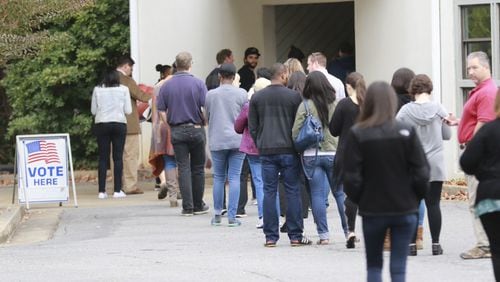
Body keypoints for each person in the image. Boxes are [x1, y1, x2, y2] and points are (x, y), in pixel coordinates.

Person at [343, 81, 430, 282]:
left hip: (373, 208)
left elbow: (351, 177)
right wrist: (415, 197)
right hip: (404, 207)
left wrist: (361, 199)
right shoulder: (406, 131)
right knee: (398, 268)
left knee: (374, 266)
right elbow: (421, 172)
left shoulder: (359, 133)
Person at [249, 63, 311, 247]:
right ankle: (295, 235)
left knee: (269, 191)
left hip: (267, 149)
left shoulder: (257, 97)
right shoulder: (293, 97)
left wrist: (260, 141)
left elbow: (252, 126)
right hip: (289, 150)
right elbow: (299, 124)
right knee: (292, 190)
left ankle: (270, 236)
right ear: (283, 75)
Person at [396, 74, 451, 256]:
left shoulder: (405, 111)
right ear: (430, 89)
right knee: (433, 204)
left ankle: (412, 245)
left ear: (413, 90)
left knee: (413, 204)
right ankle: (436, 244)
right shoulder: (439, 109)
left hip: (413, 164)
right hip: (435, 163)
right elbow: (447, 135)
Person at [157, 51, 209, 216]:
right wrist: (204, 122)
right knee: (198, 168)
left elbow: (161, 112)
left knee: (183, 167)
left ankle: (187, 207)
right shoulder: (198, 84)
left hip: (177, 129)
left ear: (176, 65)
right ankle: (198, 204)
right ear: (190, 64)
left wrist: (170, 125)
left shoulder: (166, 85)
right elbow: (205, 107)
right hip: (196, 128)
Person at [456, 51, 497, 259]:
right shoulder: (482, 90)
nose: (470, 72)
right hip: (478, 152)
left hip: (478, 156)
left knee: (476, 201)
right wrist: (459, 123)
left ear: (486, 67)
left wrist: (471, 147)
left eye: (474, 68)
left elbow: (484, 124)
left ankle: (485, 245)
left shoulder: (487, 92)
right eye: (468, 69)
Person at [292, 71, 338, 245]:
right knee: (339, 194)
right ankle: (349, 230)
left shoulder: (305, 105)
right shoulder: (335, 104)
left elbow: (296, 132)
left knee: (317, 195)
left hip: (312, 154)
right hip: (333, 152)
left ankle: (324, 235)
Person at [460, 90, 500, 281]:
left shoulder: (488, 130)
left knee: (497, 249)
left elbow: (467, 162)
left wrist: (483, 173)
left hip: (490, 197)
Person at [205, 63, 247, 226]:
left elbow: (206, 116)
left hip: (217, 139)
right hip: (237, 139)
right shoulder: (242, 93)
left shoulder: (211, 95)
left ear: (219, 76)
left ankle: (217, 215)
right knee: (234, 176)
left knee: (219, 177)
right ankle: (232, 216)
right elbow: (246, 115)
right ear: (235, 76)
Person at [329, 71, 366, 248]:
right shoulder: (370, 104)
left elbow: (334, 129)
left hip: (347, 153)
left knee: (350, 194)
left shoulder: (344, 104)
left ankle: (351, 230)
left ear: (348, 86)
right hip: (368, 153)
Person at [91, 69, 132, 199]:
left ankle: (102, 191)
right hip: (119, 123)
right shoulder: (124, 89)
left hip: (102, 123)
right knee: (118, 157)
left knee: (103, 157)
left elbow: (93, 111)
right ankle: (117, 190)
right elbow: (128, 110)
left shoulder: (97, 89)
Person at [116, 55, 151, 195]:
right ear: (125, 66)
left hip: (111, 122)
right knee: (130, 155)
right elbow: (140, 95)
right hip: (128, 123)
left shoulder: (108, 79)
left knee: (116, 156)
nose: (131, 70)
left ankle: (117, 185)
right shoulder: (126, 80)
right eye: (131, 67)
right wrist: (156, 97)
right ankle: (130, 186)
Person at [149, 65, 179, 207]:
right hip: (180, 125)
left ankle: (172, 195)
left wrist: (156, 133)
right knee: (182, 160)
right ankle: (180, 190)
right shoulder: (182, 84)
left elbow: (155, 113)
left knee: (169, 161)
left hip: (163, 126)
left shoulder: (158, 87)